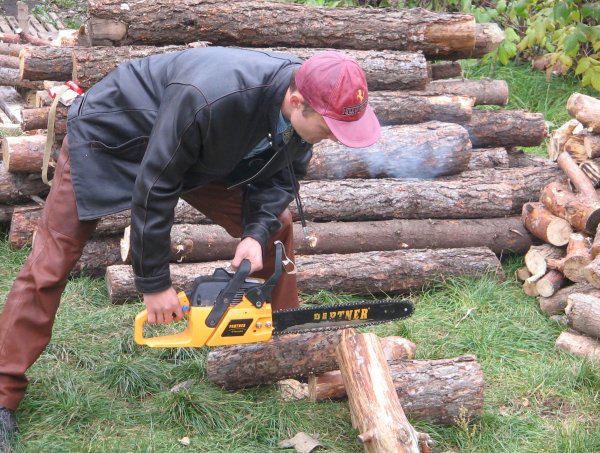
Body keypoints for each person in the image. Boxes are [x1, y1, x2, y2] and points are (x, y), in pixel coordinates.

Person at [0, 47, 380, 448]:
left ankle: (285, 348)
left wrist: (254, 234)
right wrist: (153, 283)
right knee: (51, 261)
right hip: (113, 138)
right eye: (330, 127)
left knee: (276, 226)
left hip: (196, 152)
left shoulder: (307, 99)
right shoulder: (210, 96)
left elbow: (281, 178)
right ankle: (3, 391)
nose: (333, 138)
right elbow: (156, 185)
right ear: (297, 100)